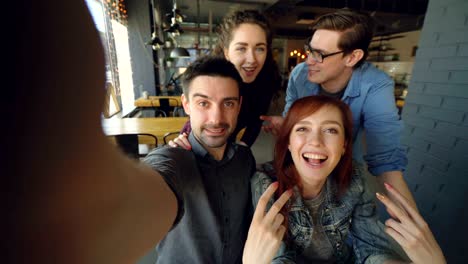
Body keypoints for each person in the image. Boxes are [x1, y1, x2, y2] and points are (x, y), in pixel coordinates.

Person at [9, 2, 290, 263]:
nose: (251, 58)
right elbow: (158, 179)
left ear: (238, 104)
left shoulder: (249, 137)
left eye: (260, 48)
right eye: (203, 102)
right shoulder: (179, 157)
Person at [252, 96, 445, 263]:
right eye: (303, 128)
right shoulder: (266, 182)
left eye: (331, 130)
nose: (316, 141)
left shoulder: (354, 177)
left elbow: (370, 249)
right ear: (288, 142)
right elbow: (276, 258)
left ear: (344, 145)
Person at [261, 9, 415, 208]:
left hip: (343, 171)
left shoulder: (376, 86)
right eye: (310, 50)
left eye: (320, 55)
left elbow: (386, 161)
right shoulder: (300, 75)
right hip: (299, 166)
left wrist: (414, 226)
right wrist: (287, 124)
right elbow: (292, 119)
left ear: (352, 57)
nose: (308, 60)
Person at [176, 9, 281, 148]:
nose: (252, 59)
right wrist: (183, 142)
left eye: (260, 48)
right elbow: (196, 122)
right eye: (241, 48)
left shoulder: (265, 81)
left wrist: (242, 151)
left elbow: (256, 122)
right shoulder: (211, 79)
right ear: (226, 52)